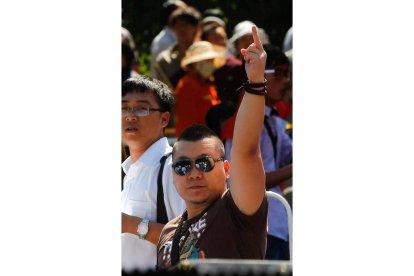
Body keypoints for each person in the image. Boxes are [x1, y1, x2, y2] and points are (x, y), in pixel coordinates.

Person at [157, 26, 268, 269]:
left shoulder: (237, 211)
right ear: (173, 173)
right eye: (183, 166)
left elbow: (246, 150)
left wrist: (256, 82)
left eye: (205, 163)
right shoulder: (169, 231)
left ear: (227, 168)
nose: (194, 173)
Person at [224, 44, 292, 260]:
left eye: (287, 74)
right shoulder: (240, 123)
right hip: (259, 230)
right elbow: (243, 182)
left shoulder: (274, 119)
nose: (287, 80)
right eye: (280, 73)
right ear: (259, 71)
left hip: (278, 226)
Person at [121, 76, 186, 273]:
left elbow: (192, 239)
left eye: (142, 108)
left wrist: (131, 224)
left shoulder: (173, 167)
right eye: (124, 108)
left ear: (164, 119)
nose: (130, 116)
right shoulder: (128, 169)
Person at [173, 41, 224, 136]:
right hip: (193, 141)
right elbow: (188, 122)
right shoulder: (187, 85)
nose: (210, 64)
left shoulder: (208, 84)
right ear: (194, 64)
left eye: (211, 60)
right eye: (207, 61)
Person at [152, 6, 201, 89]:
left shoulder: (206, 55)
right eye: (178, 25)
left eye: (185, 24)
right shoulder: (164, 60)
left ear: (195, 27)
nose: (182, 29)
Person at [150, 0, 187, 77]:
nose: (188, 15)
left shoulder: (173, 38)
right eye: (184, 12)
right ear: (172, 17)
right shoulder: (164, 42)